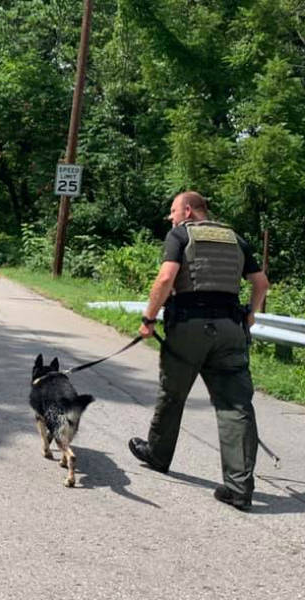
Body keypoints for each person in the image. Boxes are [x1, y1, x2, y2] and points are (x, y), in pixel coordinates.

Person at [129, 190, 269, 511]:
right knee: (235, 405)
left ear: (189, 211)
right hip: (230, 330)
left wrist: (149, 318)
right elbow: (261, 283)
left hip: (190, 328)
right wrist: (251, 315)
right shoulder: (235, 238)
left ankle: (159, 454)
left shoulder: (180, 235)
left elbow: (166, 278)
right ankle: (238, 487)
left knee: (173, 393)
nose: (171, 216)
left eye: (173, 210)